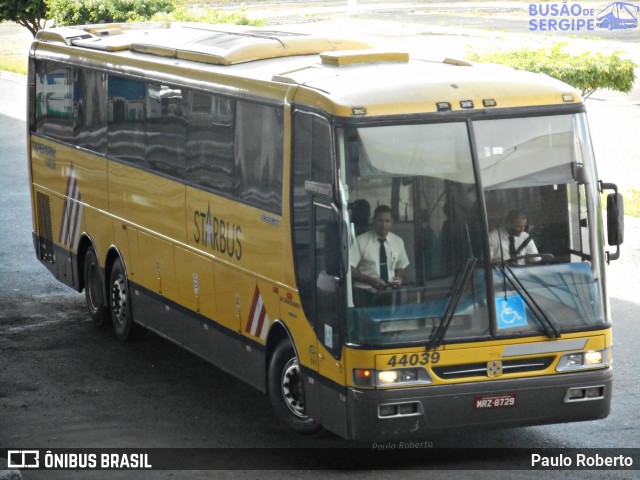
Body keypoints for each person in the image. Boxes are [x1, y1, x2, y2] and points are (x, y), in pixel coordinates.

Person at [350, 205, 410, 290]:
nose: (383, 225)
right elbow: (350, 269)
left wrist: (399, 278)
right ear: (373, 220)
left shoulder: (398, 241)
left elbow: (402, 267)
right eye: (380, 220)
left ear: (392, 222)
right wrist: (370, 281)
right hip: (364, 293)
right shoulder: (360, 241)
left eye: (387, 221)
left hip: (389, 292)